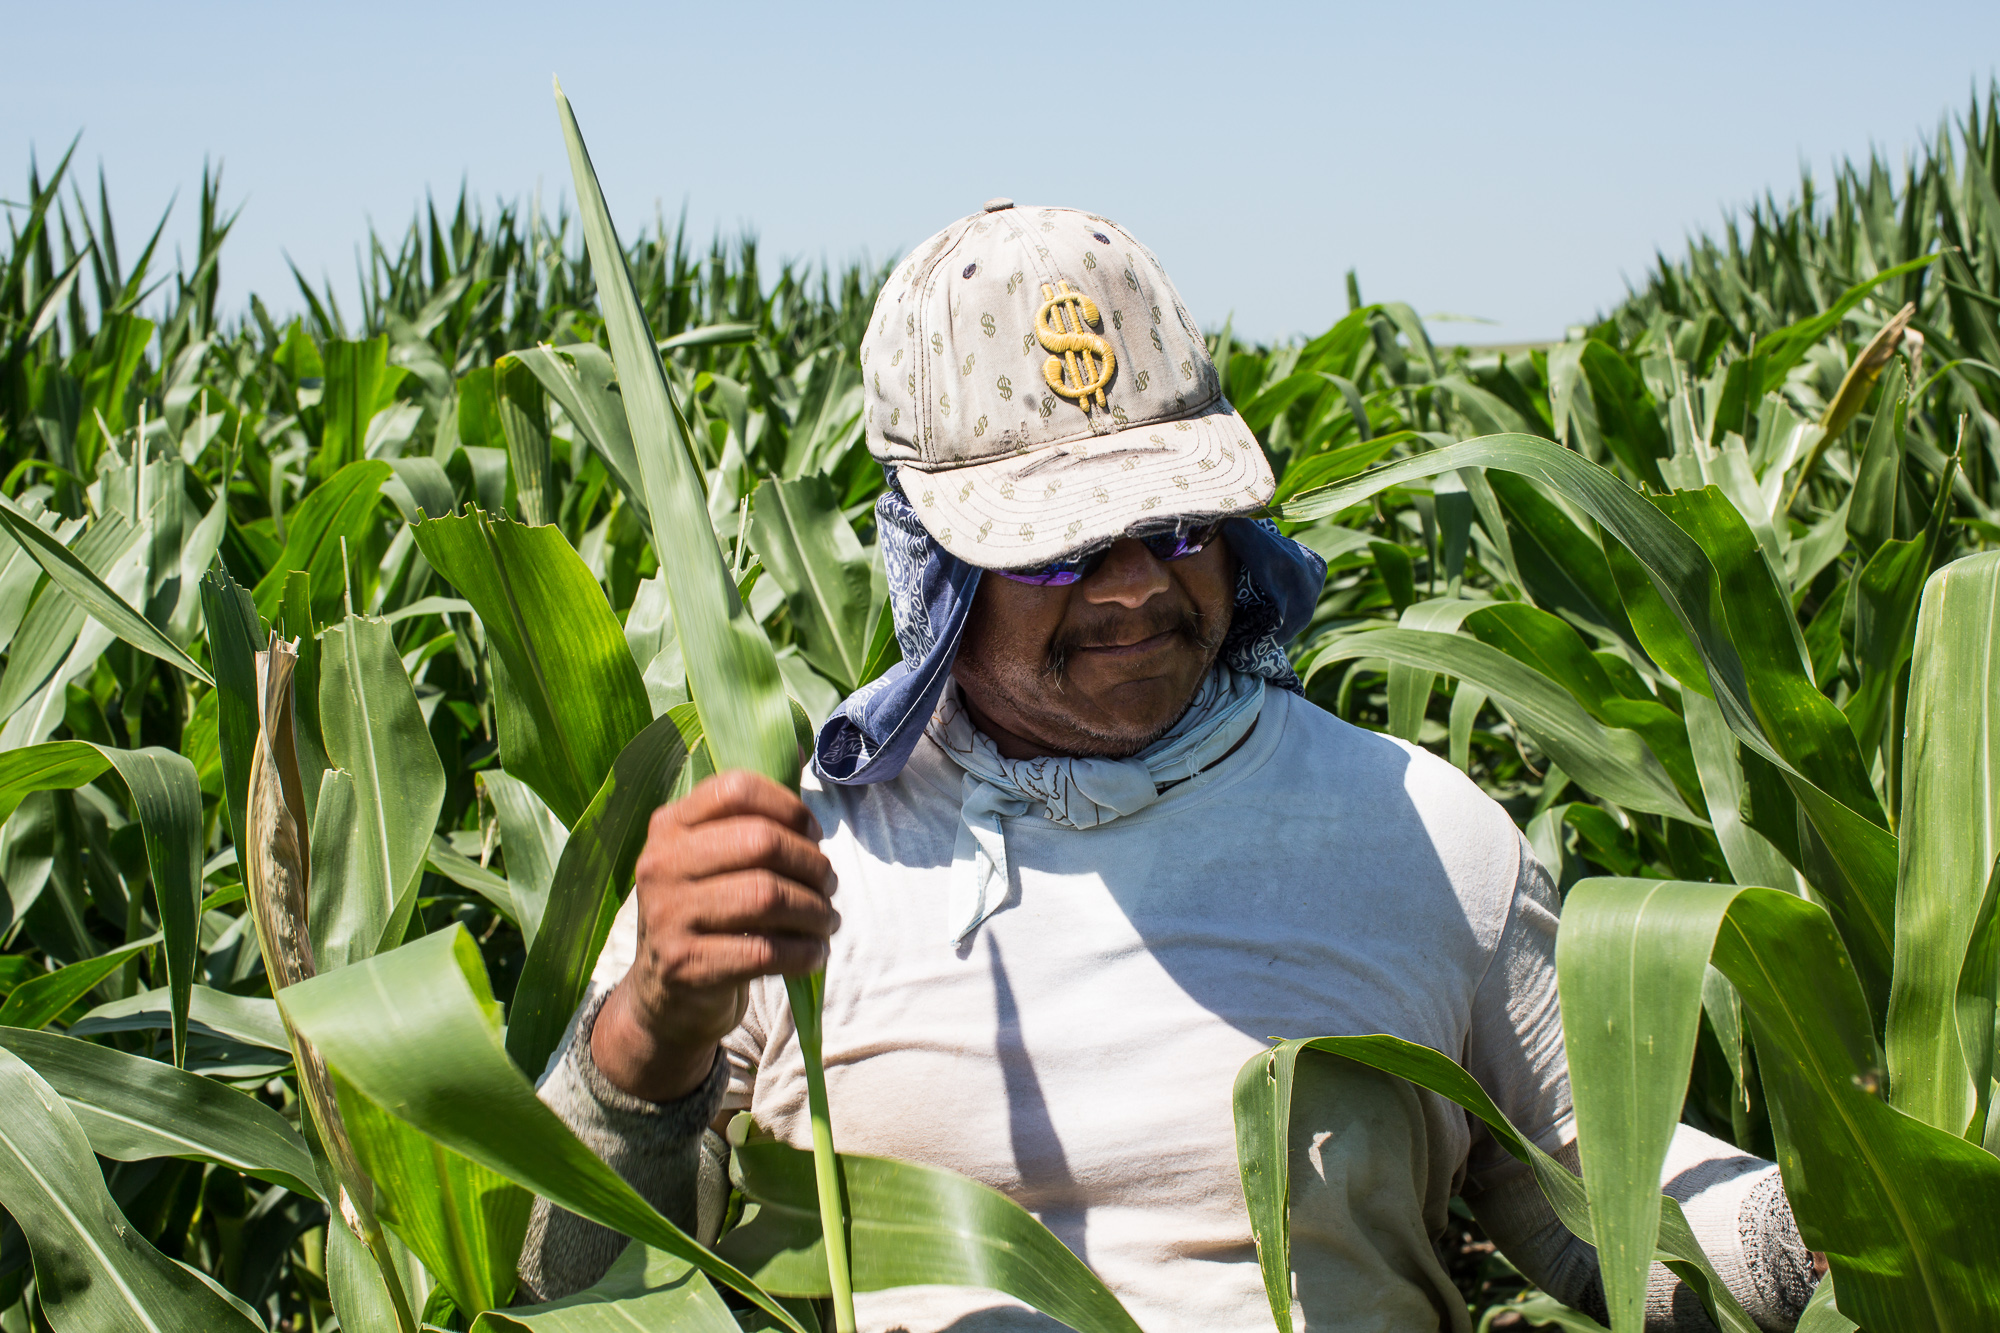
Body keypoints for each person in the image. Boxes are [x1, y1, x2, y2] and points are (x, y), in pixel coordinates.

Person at [515, 202, 1818, 1331]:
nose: (1137, 585)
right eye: (1060, 547)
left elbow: (1612, 1213)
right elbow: (568, 1290)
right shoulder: (793, 863)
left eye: (1178, 523)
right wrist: (648, 1029)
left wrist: (1840, 1228)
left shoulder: (1420, 834)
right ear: (926, 558)